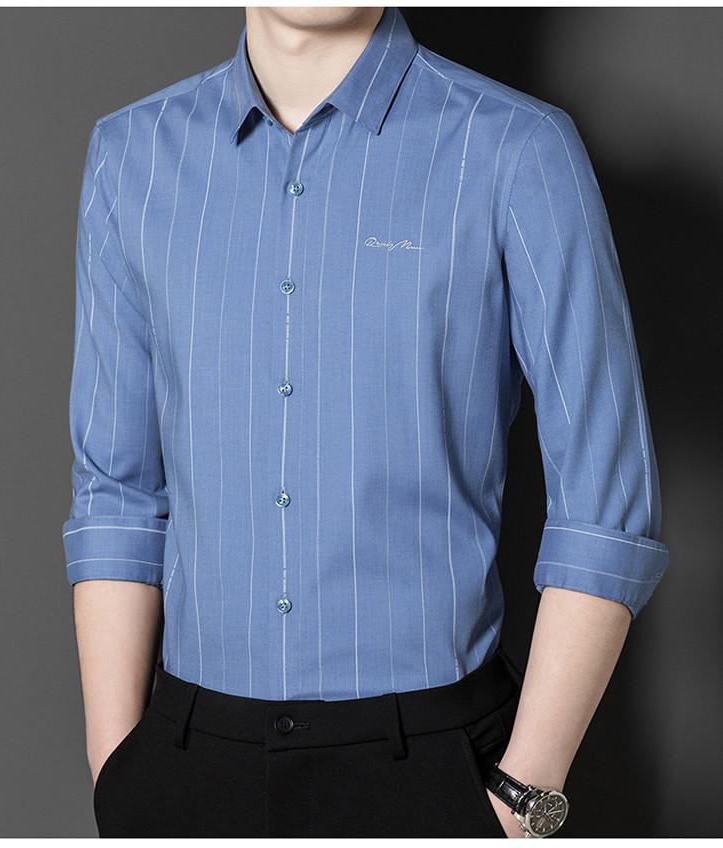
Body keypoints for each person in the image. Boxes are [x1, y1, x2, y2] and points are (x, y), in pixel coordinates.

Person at [62, 5, 670, 838]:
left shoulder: (515, 148)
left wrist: (520, 800)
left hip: (435, 771)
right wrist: (119, 777)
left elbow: (606, 509)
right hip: (189, 767)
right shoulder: (131, 155)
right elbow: (116, 493)